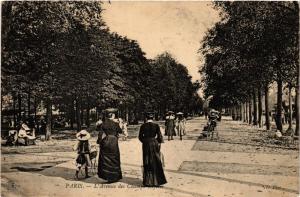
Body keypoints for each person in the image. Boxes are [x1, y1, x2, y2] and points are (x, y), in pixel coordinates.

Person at [139, 112, 167, 187]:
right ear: (153, 118)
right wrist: (157, 141)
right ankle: (157, 181)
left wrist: (145, 141)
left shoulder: (143, 126)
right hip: (154, 143)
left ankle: (148, 181)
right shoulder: (156, 125)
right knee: (156, 161)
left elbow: (140, 137)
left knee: (146, 160)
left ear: (146, 118)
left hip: (146, 144)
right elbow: (160, 136)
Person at [97, 109, 122, 183]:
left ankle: (107, 176)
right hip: (114, 141)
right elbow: (120, 131)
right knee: (115, 158)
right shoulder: (115, 124)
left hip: (106, 140)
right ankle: (114, 176)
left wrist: (99, 142)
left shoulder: (103, 124)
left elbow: (100, 134)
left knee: (105, 158)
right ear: (113, 116)